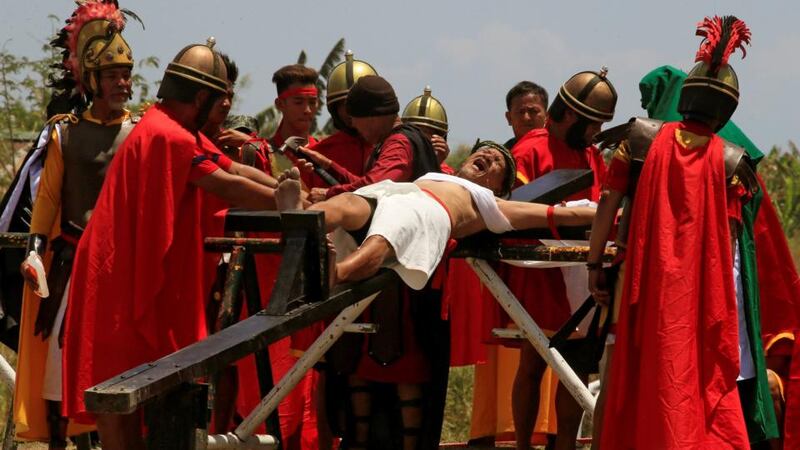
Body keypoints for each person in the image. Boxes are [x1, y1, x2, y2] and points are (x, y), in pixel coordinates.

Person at [60, 38, 281, 450]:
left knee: (132, 391)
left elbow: (230, 166)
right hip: (116, 276)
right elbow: (227, 183)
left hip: (122, 268)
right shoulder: (168, 135)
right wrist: (289, 203)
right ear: (200, 96)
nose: (223, 107)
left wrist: (289, 189)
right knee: (118, 394)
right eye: (218, 98)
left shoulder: (167, 125)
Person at [588, 16, 779, 449]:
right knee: (692, 376)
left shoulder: (638, 139)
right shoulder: (733, 162)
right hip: (698, 296)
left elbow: (607, 205)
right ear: (727, 109)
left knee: (621, 375)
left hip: (636, 288)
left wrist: (594, 263)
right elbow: (728, 246)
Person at [12, 2, 136, 447]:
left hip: (122, 267)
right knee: (58, 369)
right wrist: (33, 251)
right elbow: (48, 199)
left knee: (120, 367)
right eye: (112, 75)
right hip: (70, 261)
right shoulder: (65, 132)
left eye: (126, 74)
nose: (122, 83)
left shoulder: (140, 133)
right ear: (91, 79)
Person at [276, 142, 594, 290]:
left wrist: (602, 213)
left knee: (388, 233)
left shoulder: (490, 204)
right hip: (396, 194)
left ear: (499, 188)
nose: (488, 156)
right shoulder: (438, 173)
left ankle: (338, 274)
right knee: (347, 202)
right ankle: (299, 219)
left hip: (427, 215)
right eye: (484, 152)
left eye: (497, 163)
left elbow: (551, 214)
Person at [504, 69, 616, 450]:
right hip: (539, 275)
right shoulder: (529, 149)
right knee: (533, 363)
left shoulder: (591, 154)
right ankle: (522, 444)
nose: (594, 132)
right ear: (570, 115)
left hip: (583, 273)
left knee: (577, 369)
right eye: (592, 123)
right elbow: (516, 210)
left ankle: (566, 445)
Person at [300, 75, 440, 202]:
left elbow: (374, 186)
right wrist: (329, 165)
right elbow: (366, 184)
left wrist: (329, 194)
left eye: (355, 119)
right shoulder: (401, 138)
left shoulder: (398, 143)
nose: (353, 125)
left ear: (372, 117)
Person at [302, 50, 376, 189]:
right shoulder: (318, 153)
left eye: (359, 104)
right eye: (346, 105)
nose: (352, 112)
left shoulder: (391, 148)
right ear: (335, 109)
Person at [268, 64, 321, 176]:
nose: (307, 110)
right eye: (298, 102)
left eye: (312, 102)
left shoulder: (327, 153)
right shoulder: (262, 153)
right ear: (280, 104)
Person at [401, 86, 452, 170]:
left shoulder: (446, 172)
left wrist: (436, 162)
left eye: (425, 131)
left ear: (438, 138)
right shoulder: (388, 157)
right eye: (414, 130)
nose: (418, 136)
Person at [503, 81, 549, 149]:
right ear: (509, 118)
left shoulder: (560, 151)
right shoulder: (499, 157)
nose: (526, 118)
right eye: (521, 112)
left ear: (546, 116)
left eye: (533, 111)